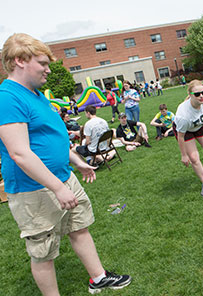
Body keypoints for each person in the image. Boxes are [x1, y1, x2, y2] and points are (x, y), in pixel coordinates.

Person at [0, 33, 131, 295]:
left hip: (64, 176)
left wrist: (77, 162)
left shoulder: (35, 94)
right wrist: (57, 189)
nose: (49, 69)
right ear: (19, 61)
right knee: (43, 251)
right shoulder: (8, 98)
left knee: (79, 228)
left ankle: (98, 278)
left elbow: (52, 134)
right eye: (42, 63)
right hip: (34, 189)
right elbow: (20, 153)